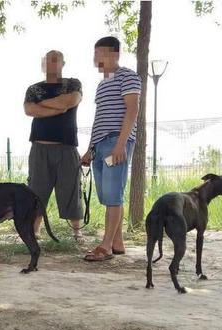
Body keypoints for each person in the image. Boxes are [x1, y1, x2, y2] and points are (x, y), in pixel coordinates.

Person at [81, 36, 141, 261]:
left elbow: (132, 109)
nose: (97, 58)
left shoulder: (128, 76)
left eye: (101, 54)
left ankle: (105, 246)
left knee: (113, 194)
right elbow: (99, 118)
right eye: (95, 54)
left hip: (116, 142)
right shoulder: (102, 84)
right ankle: (117, 243)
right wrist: (90, 149)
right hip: (100, 145)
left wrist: (121, 144)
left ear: (115, 54)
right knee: (108, 195)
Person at [24, 50, 84, 241]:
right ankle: (34, 230)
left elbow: (72, 100)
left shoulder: (72, 83)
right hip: (40, 148)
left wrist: (43, 105)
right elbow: (29, 109)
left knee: (71, 189)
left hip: (67, 147)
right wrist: (59, 107)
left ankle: (77, 230)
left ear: (63, 63)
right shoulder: (33, 88)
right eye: (48, 60)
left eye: (55, 60)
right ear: (43, 63)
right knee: (36, 190)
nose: (51, 64)